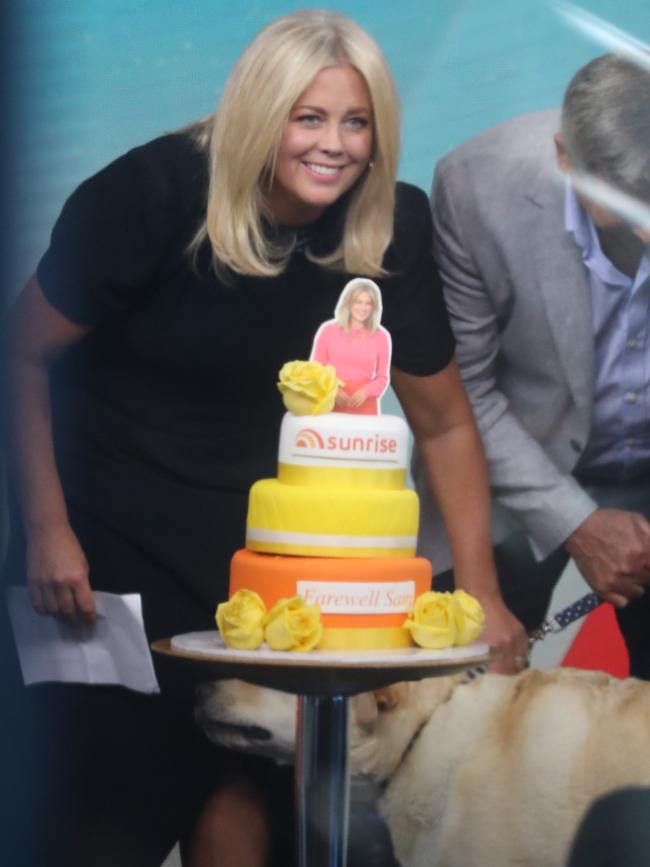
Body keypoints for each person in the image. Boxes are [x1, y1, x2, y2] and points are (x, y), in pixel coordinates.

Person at [1, 9, 526, 867]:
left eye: (356, 122)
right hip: (102, 553)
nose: (334, 145)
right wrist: (50, 532)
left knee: (245, 795)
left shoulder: (392, 224)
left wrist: (480, 590)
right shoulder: (153, 191)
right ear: (259, 113)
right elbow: (20, 356)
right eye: (307, 117)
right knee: (110, 815)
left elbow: (444, 420)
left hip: (269, 571)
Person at [415, 53, 650, 678]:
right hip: (511, 476)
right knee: (453, 714)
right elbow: (465, 392)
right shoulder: (477, 186)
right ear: (565, 155)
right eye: (625, 203)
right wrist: (577, 523)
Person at [311, 277, 391, 414]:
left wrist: (366, 392)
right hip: (330, 401)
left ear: (374, 307)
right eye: (358, 302)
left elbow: (382, 377)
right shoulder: (328, 330)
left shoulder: (381, 336)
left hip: (365, 405)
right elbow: (316, 369)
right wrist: (333, 390)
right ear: (348, 303)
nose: (363, 308)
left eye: (368, 303)